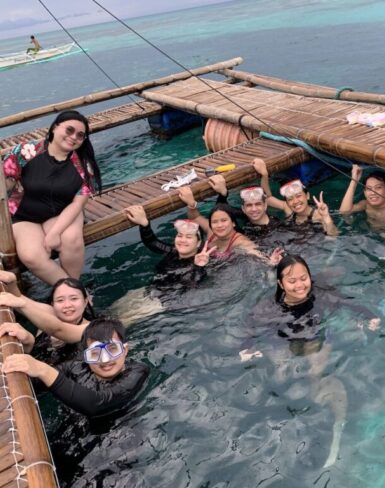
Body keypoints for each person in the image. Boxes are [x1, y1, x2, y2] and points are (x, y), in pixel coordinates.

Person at [240, 254, 380, 467]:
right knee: (280, 375)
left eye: (303, 278)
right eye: (292, 280)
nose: (299, 285)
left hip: (317, 337)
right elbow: (250, 327)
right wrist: (245, 349)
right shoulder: (269, 307)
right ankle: (287, 423)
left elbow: (350, 304)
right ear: (280, 283)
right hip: (282, 340)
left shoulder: (322, 295)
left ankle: (335, 431)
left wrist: (371, 317)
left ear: (310, 277)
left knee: (316, 374)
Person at [2, 110, 102, 285]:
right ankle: (74, 291)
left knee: (70, 239)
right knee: (32, 256)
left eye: (80, 135)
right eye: (69, 130)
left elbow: (78, 203)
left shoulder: (84, 165)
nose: (73, 137)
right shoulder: (27, 151)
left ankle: (73, 290)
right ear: (55, 127)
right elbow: (7, 184)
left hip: (62, 211)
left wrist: (53, 234)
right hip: (23, 215)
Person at [2, 318, 149, 417]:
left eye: (113, 349)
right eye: (95, 353)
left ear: (125, 350)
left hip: (120, 444)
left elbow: (97, 403)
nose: (105, 360)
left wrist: (43, 369)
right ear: (85, 356)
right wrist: (28, 345)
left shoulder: (137, 372)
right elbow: (33, 382)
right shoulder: (76, 367)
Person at [111, 206, 215, 325]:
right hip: (151, 290)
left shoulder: (200, 263)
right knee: (114, 309)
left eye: (189, 237)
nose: (182, 240)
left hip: (163, 301)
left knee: (121, 322)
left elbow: (191, 285)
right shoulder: (173, 251)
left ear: (198, 243)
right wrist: (145, 224)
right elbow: (152, 243)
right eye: (180, 235)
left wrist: (198, 267)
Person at [178, 186, 283, 264]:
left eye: (224, 220)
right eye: (215, 222)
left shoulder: (240, 242)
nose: (219, 225)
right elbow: (195, 217)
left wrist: (270, 261)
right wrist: (191, 204)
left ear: (233, 222)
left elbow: (257, 254)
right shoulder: (211, 232)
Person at [0, 270, 93, 345]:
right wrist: (11, 283)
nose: (67, 305)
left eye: (74, 299)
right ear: (53, 304)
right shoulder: (50, 313)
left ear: (85, 302)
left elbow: (59, 329)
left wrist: (23, 305)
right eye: (60, 300)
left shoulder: (93, 328)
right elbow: (19, 300)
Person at [253, 158, 338, 236]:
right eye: (290, 199)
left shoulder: (317, 215)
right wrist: (264, 175)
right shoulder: (289, 210)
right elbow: (267, 198)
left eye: (298, 196)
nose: (295, 201)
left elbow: (333, 236)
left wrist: (326, 217)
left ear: (307, 196)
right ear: (287, 203)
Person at [207, 168, 281, 241]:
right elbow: (223, 212)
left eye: (258, 204)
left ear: (265, 206)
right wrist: (223, 194)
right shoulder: (245, 229)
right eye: (249, 205)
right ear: (243, 209)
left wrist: (264, 174)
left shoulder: (280, 225)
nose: (254, 209)